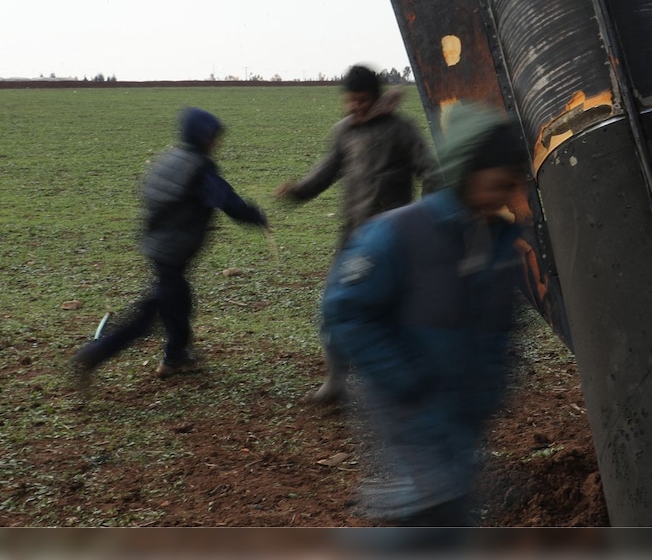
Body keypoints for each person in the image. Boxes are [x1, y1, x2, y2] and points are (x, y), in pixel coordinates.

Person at [321, 103, 528, 528]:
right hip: (409, 418)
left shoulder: (500, 244)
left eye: (513, 186)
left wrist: (491, 385)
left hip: (461, 420)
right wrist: (407, 379)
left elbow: (500, 327)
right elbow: (345, 312)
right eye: (499, 184)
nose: (506, 197)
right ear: (467, 171)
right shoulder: (398, 234)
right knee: (430, 518)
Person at [275, 64, 434, 404]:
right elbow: (325, 172)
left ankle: (406, 384)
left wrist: (422, 218)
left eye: (363, 100)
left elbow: (431, 171)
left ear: (375, 97)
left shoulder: (401, 129)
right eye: (352, 100)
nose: (357, 106)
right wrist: (297, 191)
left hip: (393, 239)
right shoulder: (344, 132)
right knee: (335, 306)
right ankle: (335, 382)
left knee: (393, 310)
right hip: (352, 237)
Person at [72, 107, 268, 382]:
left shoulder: (171, 158)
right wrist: (255, 216)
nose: (216, 143)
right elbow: (227, 201)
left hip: (156, 245)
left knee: (180, 301)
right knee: (150, 314)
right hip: (173, 251)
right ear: (202, 137)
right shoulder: (200, 168)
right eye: (213, 136)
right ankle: (96, 353)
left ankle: (175, 356)